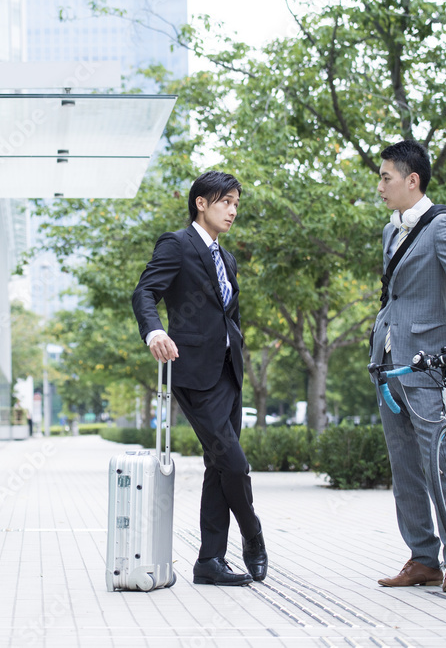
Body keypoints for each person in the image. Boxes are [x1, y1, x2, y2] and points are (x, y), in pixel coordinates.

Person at [132, 170, 267, 586]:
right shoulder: (177, 244)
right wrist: (155, 331)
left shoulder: (226, 258)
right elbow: (144, 292)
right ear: (201, 203)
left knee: (219, 467)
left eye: (236, 205)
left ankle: (209, 561)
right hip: (193, 371)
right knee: (235, 464)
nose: (232, 211)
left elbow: (232, 315)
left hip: (229, 373)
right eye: (226, 202)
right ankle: (254, 535)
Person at [369, 140, 446, 594]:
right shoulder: (390, 231)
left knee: (443, 466)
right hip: (388, 365)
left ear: (411, 180)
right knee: (404, 470)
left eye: (386, 177)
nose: (380, 185)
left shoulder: (442, 226)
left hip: (430, 363)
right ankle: (423, 559)